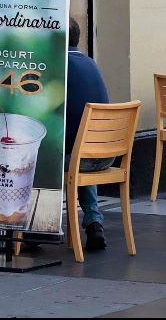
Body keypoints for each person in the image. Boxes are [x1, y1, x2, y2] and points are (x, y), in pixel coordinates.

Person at [63, 17, 110, 250]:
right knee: (80, 149)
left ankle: (33, 229)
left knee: (31, 158)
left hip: (78, 158)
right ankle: (93, 219)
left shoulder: (58, 68)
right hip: (107, 154)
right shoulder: (92, 64)